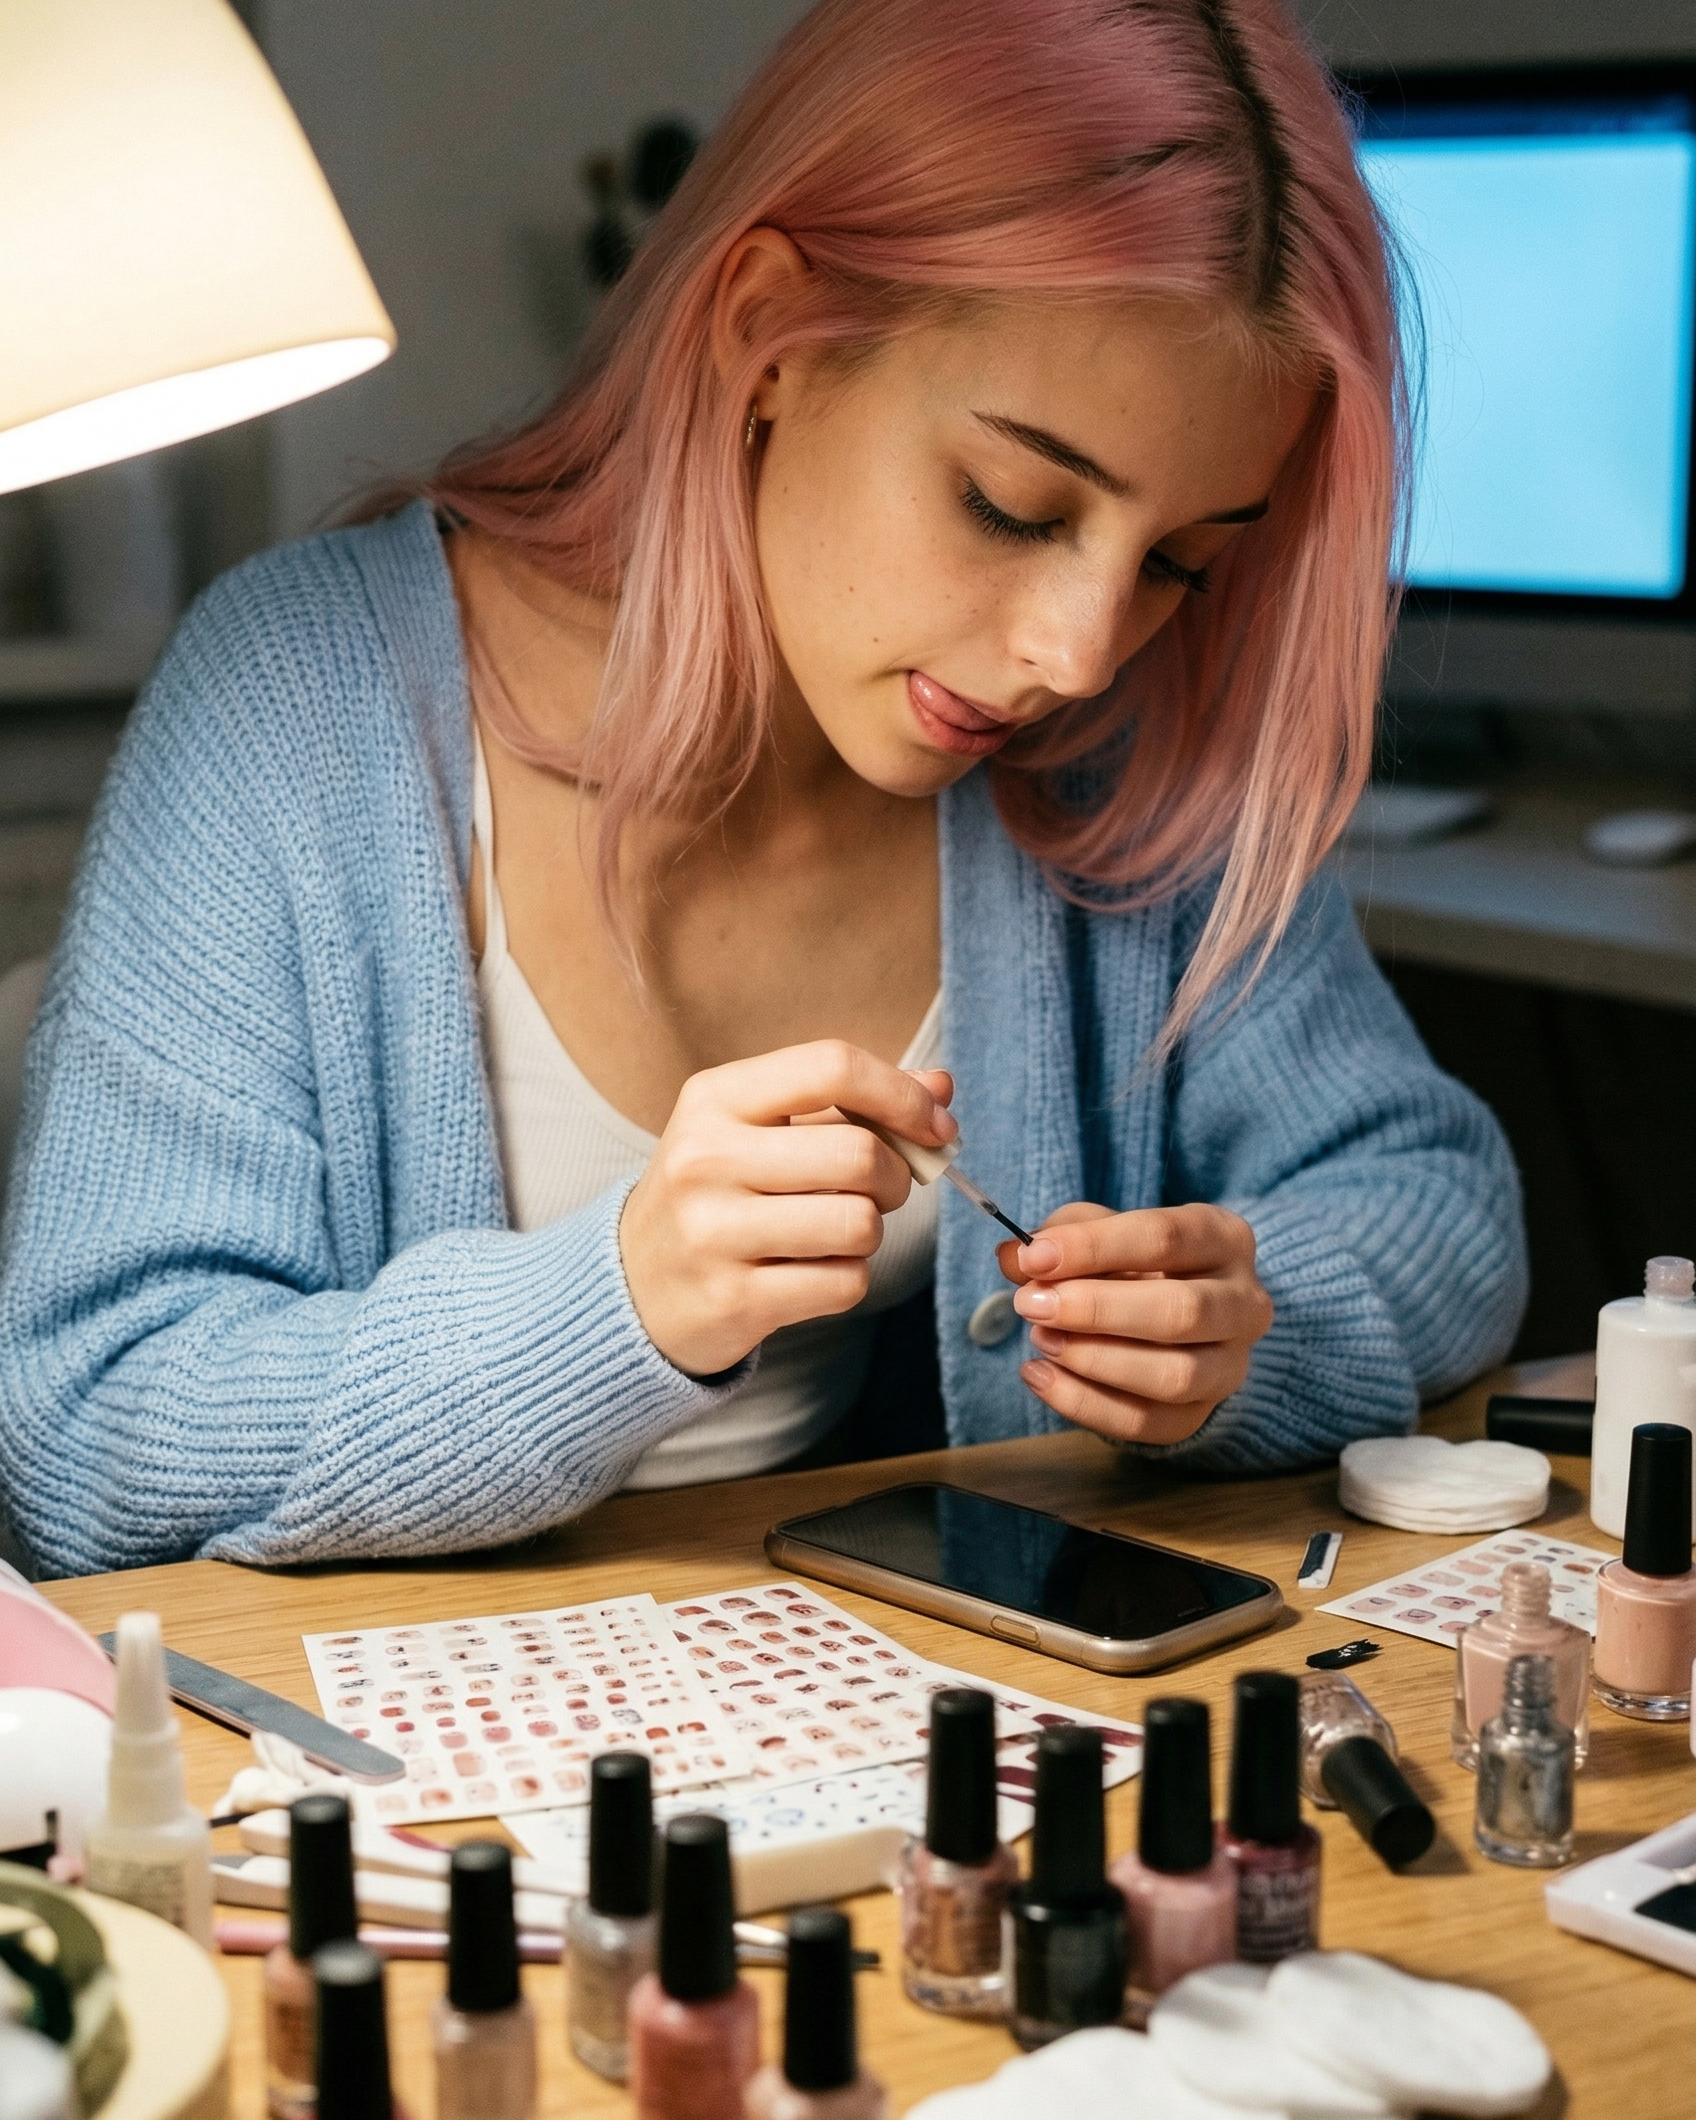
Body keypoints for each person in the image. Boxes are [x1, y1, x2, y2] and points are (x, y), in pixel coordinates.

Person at [0, 0, 1526, 1578]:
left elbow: (1440, 1205)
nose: (1077, 651)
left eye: (1182, 565)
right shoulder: (301, 702)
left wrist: (1251, 1327)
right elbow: (90, 1442)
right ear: (768, 332)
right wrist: (617, 1304)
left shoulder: (1117, 750)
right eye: (1012, 506)